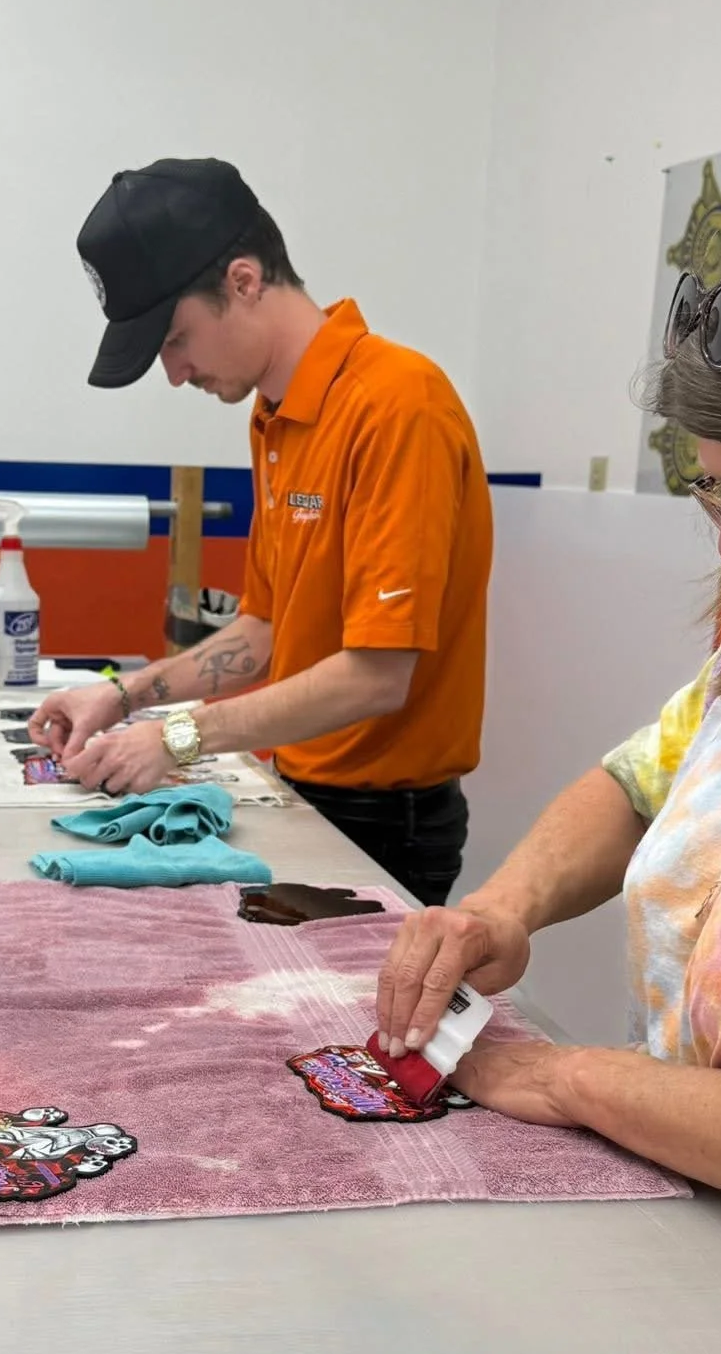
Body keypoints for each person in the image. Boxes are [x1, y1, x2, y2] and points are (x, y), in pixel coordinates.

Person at [375, 176, 721, 1354]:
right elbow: (639, 783)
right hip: (708, 1289)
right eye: (716, 495)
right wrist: (500, 908)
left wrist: (573, 1082)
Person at [30, 157, 493, 908]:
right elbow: (265, 629)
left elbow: (378, 675)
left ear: (243, 281)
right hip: (302, 787)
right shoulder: (275, 417)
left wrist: (177, 738)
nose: (175, 374)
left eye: (177, 339)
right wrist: (124, 696)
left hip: (385, 820)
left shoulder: (398, 404)